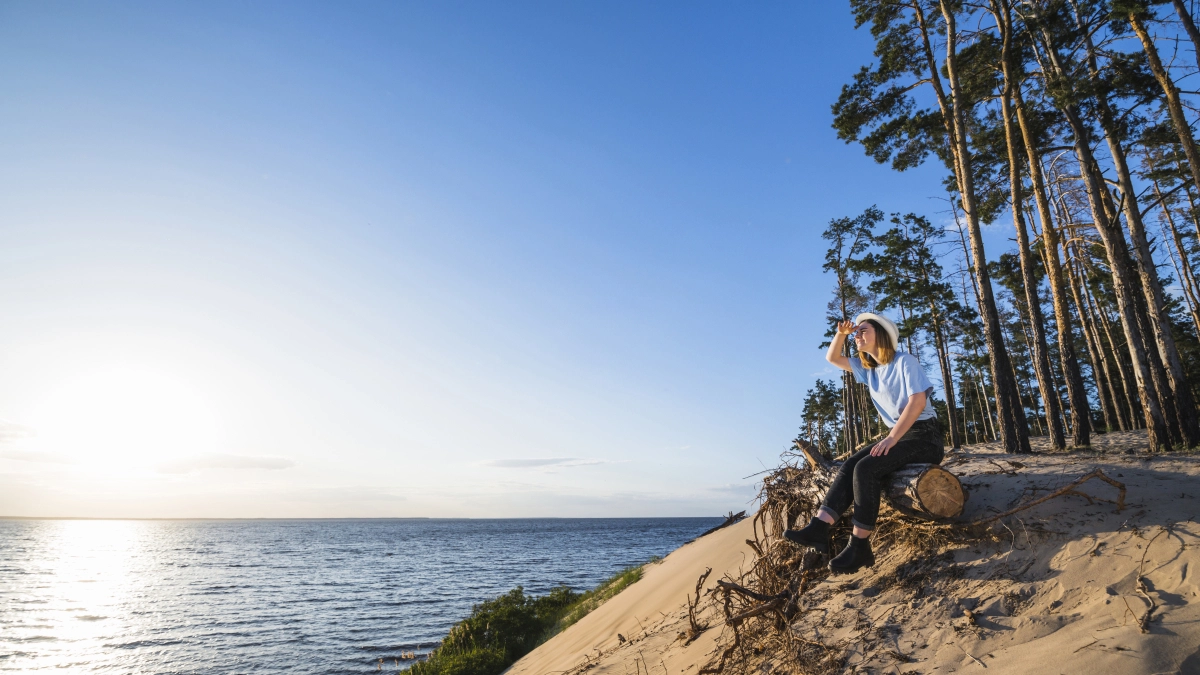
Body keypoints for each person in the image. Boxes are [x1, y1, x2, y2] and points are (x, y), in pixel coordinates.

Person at [784, 312, 945, 574]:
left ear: (881, 334)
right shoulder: (869, 369)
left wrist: (892, 438)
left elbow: (917, 402)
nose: (857, 336)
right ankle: (818, 528)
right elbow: (833, 358)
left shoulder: (905, 361)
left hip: (925, 436)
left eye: (863, 331)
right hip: (900, 434)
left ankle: (859, 546)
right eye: (856, 332)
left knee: (866, 469)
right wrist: (841, 334)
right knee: (850, 465)